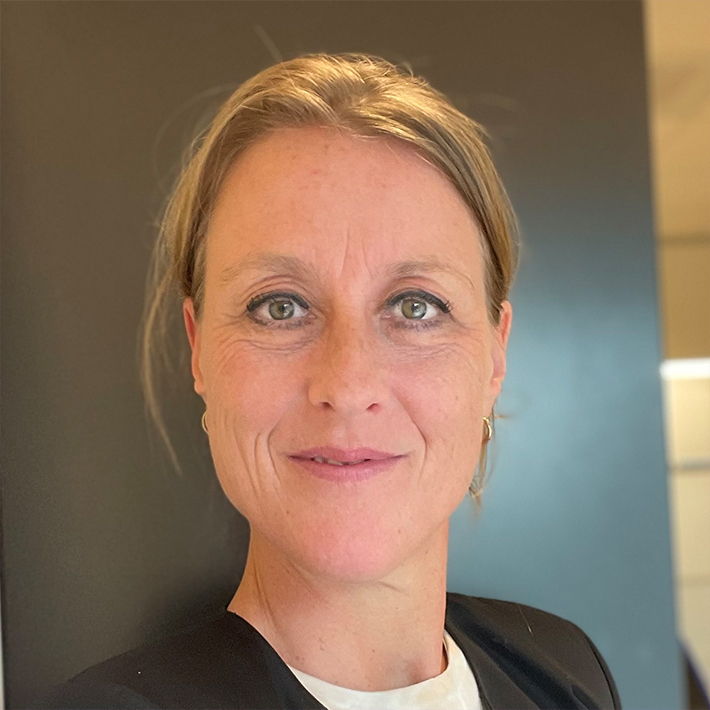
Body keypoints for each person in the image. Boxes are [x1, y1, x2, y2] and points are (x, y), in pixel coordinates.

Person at [45, 53, 621, 709]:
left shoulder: (565, 672)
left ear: (494, 355)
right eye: (279, 307)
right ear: (200, 350)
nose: (347, 385)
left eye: (415, 307)